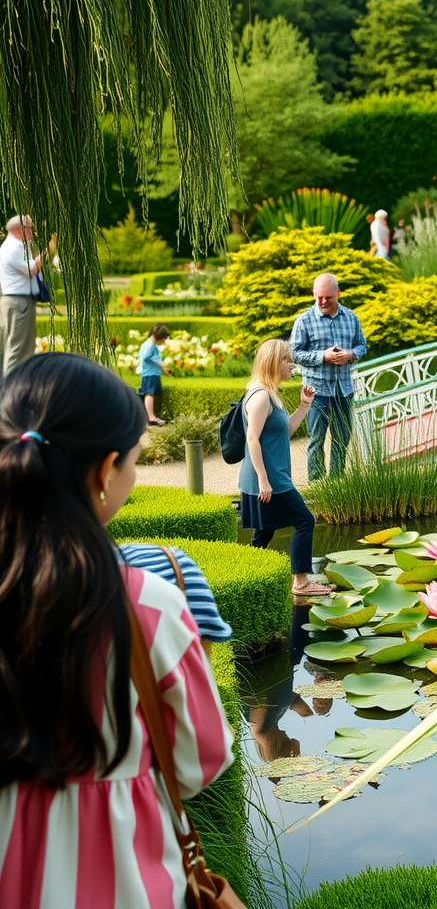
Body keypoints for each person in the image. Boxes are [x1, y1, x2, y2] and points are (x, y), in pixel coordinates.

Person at [0, 353, 233, 908]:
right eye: (133, 461)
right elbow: (203, 759)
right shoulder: (147, 604)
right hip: (128, 884)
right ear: (106, 471)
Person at [239, 338, 332, 596]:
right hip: (270, 478)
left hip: (271, 475)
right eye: (287, 360)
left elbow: (286, 430)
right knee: (305, 520)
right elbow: (252, 439)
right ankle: (301, 582)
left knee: (264, 532)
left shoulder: (271, 394)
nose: (292, 365)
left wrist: (304, 406)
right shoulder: (260, 397)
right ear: (274, 362)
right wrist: (263, 480)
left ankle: (246, 577)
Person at [290, 273, 367, 480]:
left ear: (338, 294)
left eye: (328, 298)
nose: (323, 302)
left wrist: (350, 354)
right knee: (316, 440)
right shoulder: (304, 320)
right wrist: (322, 356)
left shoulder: (351, 317)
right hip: (316, 391)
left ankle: (336, 481)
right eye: (319, 297)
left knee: (342, 439)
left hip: (344, 390)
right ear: (314, 295)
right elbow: (294, 353)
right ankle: (316, 483)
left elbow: (362, 346)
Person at [0, 214, 53, 375]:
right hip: (19, 302)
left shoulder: (16, 246)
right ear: (20, 229)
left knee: (18, 346)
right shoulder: (13, 247)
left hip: (18, 301)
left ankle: (9, 386)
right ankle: (11, 388)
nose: (32, 231)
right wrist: (49, 251)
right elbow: (32, 270)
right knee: (18, 349)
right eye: (30, 228)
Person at [136, 322, 171, 425]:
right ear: (160, 337)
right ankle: (151, 417)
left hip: (150, 372)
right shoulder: (150, 345)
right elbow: (146, 357)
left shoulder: (148, 343)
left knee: (150, 393)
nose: (164, 341)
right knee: (149, 394)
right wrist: (160, 363)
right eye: (164, 339)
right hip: (150, 372)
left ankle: (150, 416)